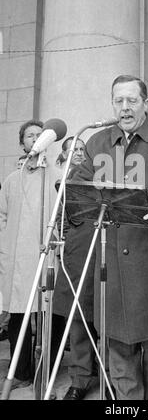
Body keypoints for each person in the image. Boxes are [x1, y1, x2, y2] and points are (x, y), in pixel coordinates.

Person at [71, 74, 148, 400]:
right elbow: (81, 184)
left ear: (145, 103)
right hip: (110, 266)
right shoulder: (97, 142)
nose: (124, 108)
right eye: (118, 101)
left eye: (131, 100)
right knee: (119, 357)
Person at [0, 120, 60, 392]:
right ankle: (21, 370)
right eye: (29, 135)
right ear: (22, 143)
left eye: (39, 134)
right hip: (17, 258)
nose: (35, 138)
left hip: (45, 254)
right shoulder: (12, 180)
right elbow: (2, 216)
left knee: (49, 316)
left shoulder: (56, 176)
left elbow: (63, 215)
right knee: (18, 317)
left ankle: (46, 370)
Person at [53, 136, 100, 400]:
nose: (81, 154)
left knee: (107, 319)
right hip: (78, 252)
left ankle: (110, 373)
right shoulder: (66, 181)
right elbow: (62, 220)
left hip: (107, 249)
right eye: (76, 150)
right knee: (79, 319)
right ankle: (80, 378)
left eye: (84, 149)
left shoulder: (108, 170)